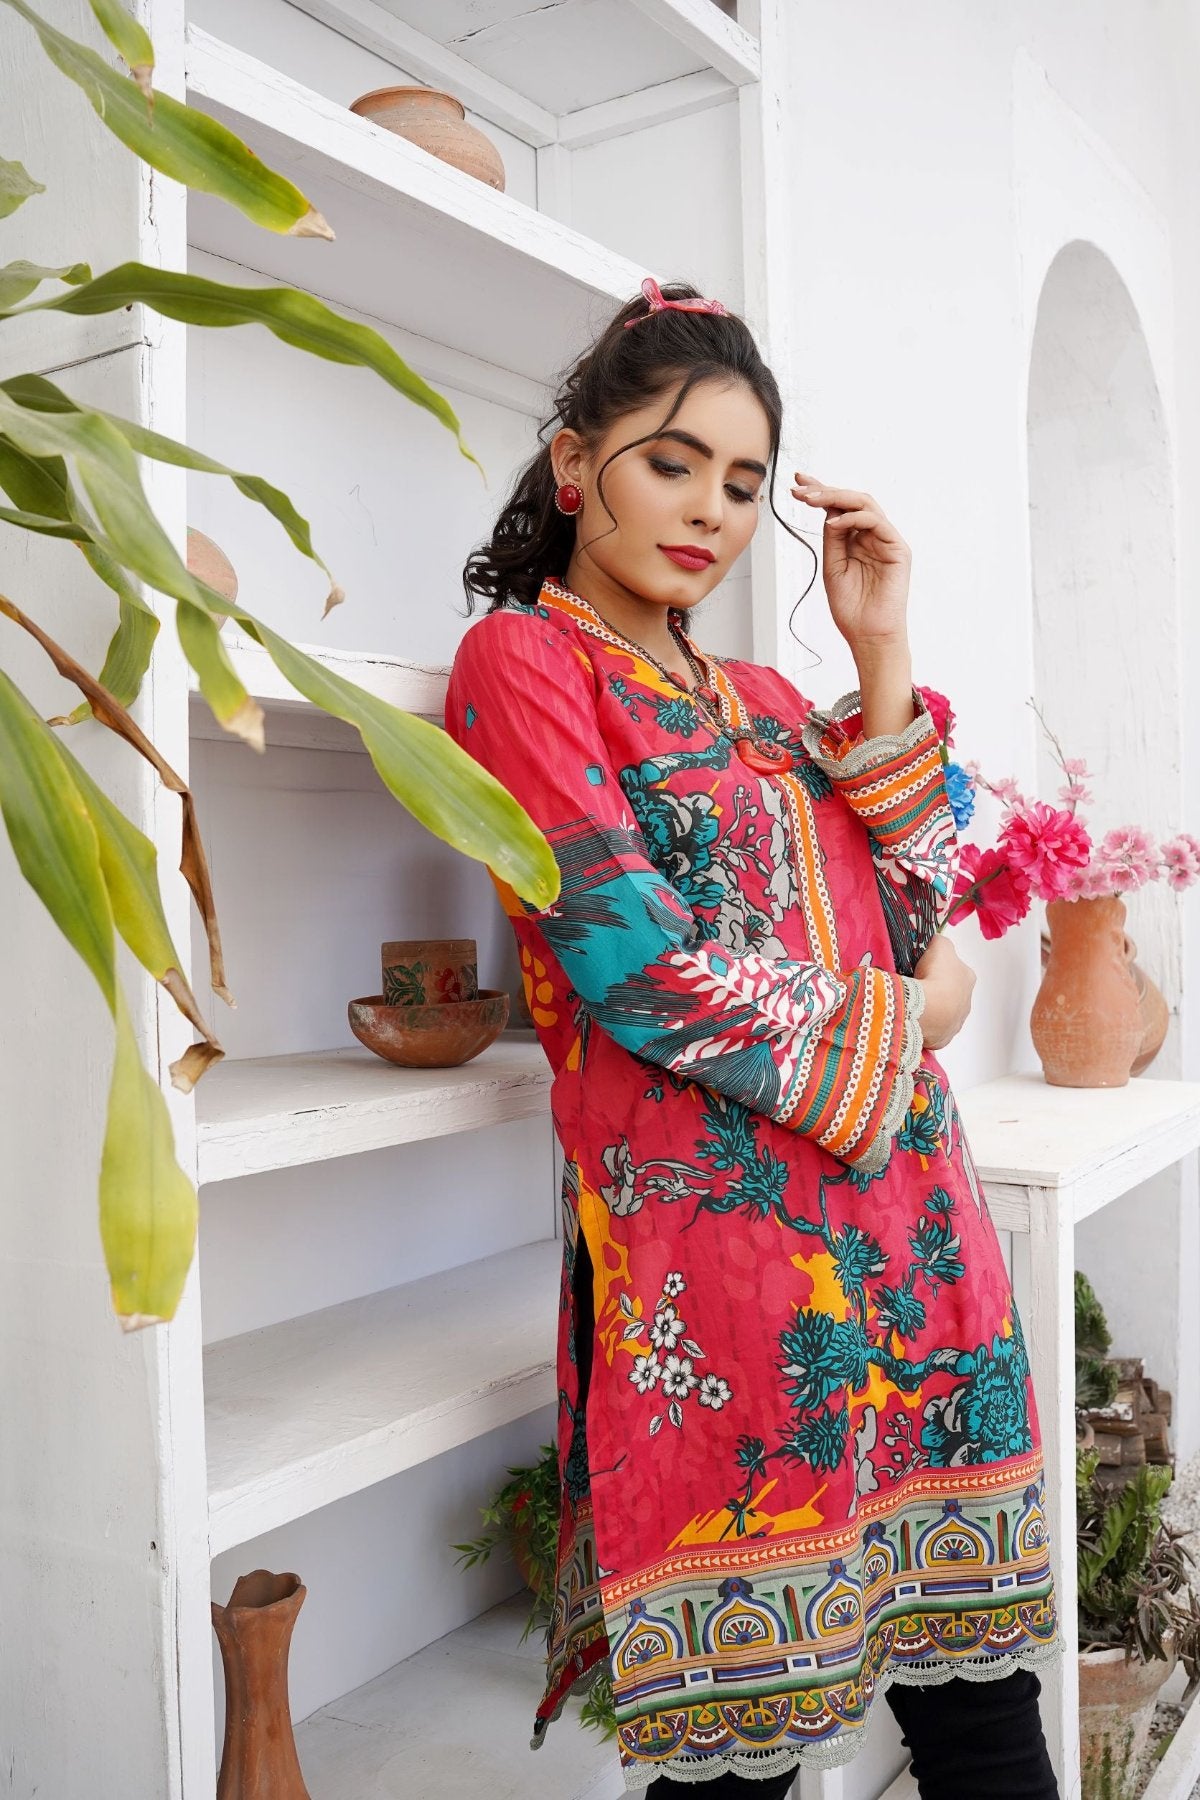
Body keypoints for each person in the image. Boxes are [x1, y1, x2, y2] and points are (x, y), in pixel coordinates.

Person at [445, 277, 1061, 1796]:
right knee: (740, 1758)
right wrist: (907, 1018)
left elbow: (921, 895)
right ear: (575, 461)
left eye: (741, 481)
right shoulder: (525, 665)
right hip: (722, 1266)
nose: (710, 510)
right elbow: (632, 964)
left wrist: (881, 646)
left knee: (983, 1717)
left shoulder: (774, 698)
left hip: (917, 1234)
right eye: (672, 463)